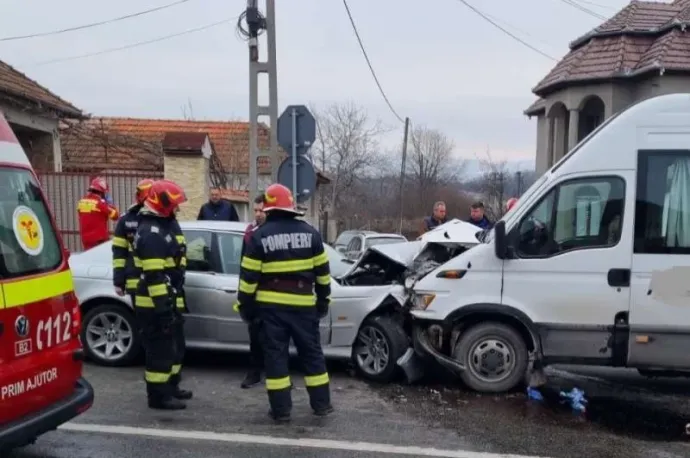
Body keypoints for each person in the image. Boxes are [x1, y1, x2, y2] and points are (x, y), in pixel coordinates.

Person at [234, 183, 333, 422]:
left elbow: (248, 280)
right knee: (312, 355)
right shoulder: (311, 234)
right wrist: (322, 303)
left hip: (271, 310)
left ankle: (281, 411)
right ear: (290, 207)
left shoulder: (259, 236)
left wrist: (245, 308)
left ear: (269, 209)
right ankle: (321, 405)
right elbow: (323, 275)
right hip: (303, 308)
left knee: (276, 358)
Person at [133, 179, 189, 410]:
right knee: (159, 351)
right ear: (163, 203)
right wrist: (163, 309)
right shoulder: (152, 233)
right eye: (174, 205)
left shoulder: (160, 227)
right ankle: (157, 397)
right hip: (154, 303)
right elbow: (154, 276)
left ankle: (169, 388)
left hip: (164, 298)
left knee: (172, 348)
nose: (176, 209)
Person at [112, 178, 154, 304]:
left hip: (157, 281)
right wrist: (118, 281)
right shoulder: (126, 219)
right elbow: (119, 252)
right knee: (142, 320)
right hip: (135, 281)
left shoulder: (162, 217)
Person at [240, 194, 267, 389]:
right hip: (255, 295)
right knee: (255, 338)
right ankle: (254, 373)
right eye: (255, 210)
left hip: (273, 294)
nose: (258, 214)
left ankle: (280, 376)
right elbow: (244, 266)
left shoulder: (274, 232)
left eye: (261, 210)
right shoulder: (250, 232)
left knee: (276, 340)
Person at [77, 176, 119, 250]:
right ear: (102, 191)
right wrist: (109, 204)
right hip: (99, 240)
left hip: (85, 239)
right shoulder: (100, 204)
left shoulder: (81, 202)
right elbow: (115, 216)